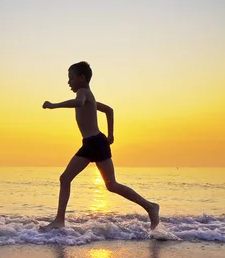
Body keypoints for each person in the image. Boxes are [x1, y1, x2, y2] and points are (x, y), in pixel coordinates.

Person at [40, 61, 159, 231]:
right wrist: (111, 135)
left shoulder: (83, 93)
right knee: (69, 179)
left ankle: (150, 207)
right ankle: (59, 220)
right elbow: (109, 110)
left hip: (95, 142)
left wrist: (54, 105)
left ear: (82, 78)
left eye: (71, 78)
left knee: (110, 185)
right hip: (91, 143)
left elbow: (80, 103)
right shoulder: (89, 95)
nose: (69, 83)